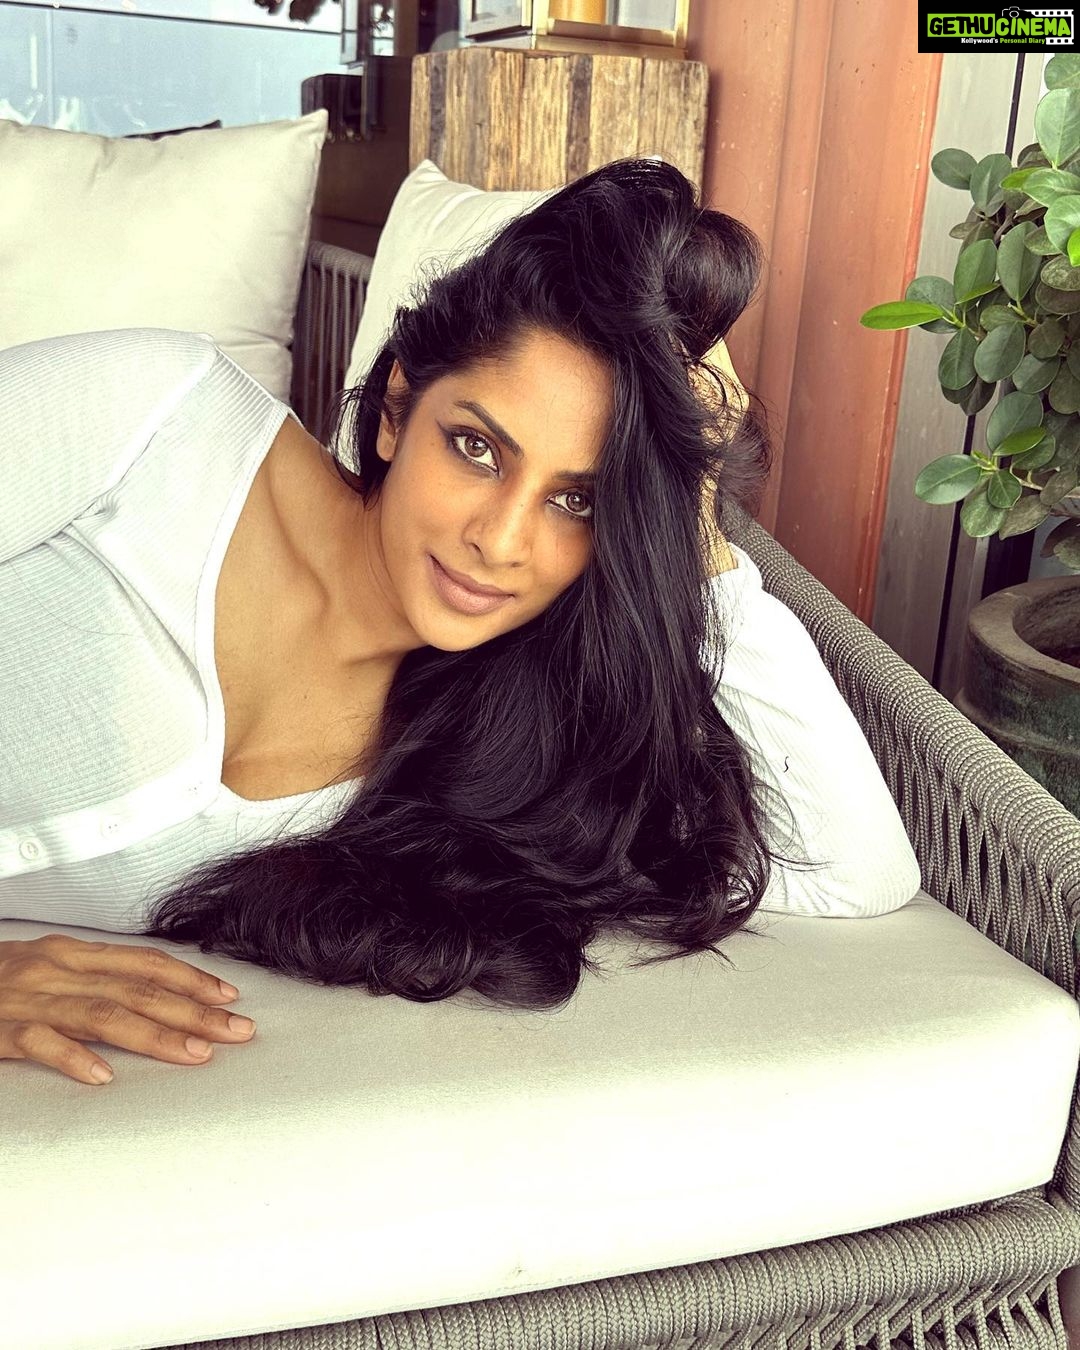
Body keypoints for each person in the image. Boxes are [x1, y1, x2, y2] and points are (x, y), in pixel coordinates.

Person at [0, 158, 921, 1086]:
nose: (501, 541)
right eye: (477, 448)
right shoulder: (155, 423)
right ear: (398, 407)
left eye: (577, 501)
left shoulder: (503, 764)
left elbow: (853, 871)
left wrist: (699, 532)